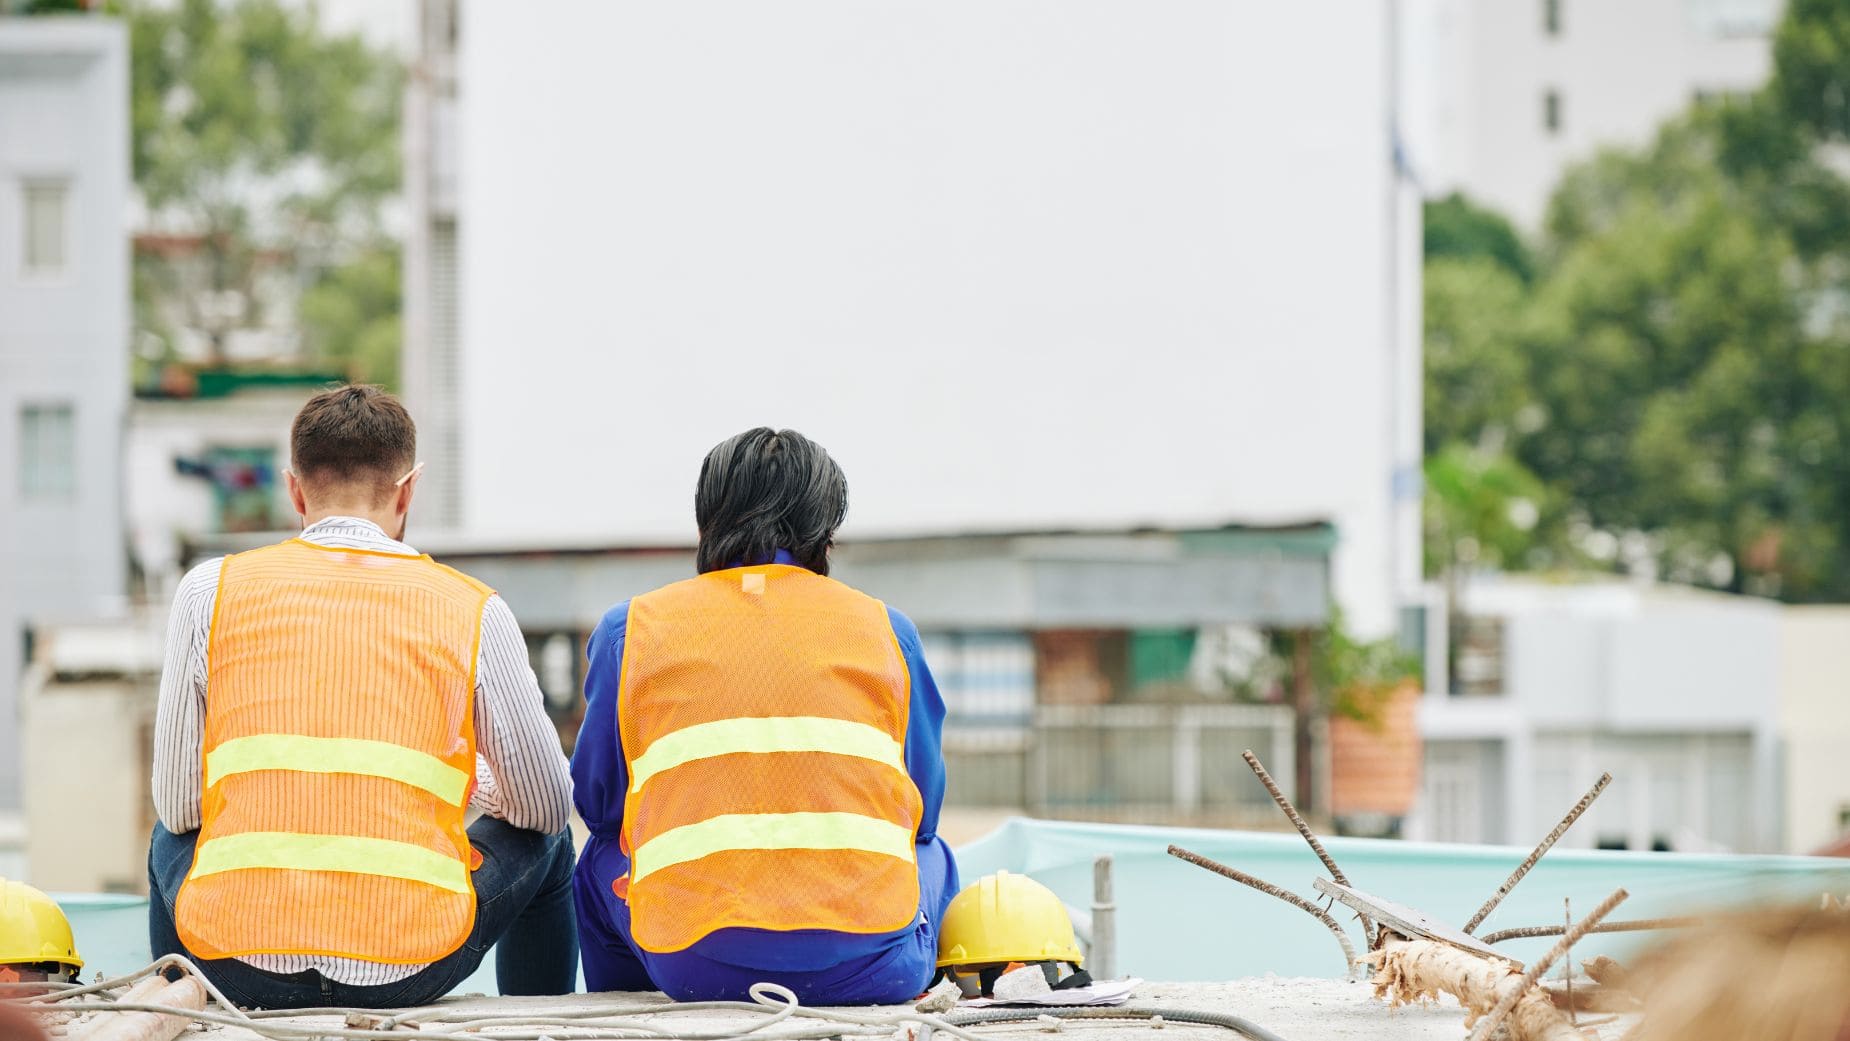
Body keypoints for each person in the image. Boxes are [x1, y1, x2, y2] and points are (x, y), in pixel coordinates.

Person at [147, 385, 578, 1009]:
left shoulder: (208, 591)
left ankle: (181, 1002)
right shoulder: (472, 607)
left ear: (295, 490)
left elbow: (181, 806)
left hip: (237, 966)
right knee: (553, 839)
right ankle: (539, 1021)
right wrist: (468, 777)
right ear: (408, 490)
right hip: (411, 966)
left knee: (168, 834)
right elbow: (544, 806)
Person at [572, 427, 959, 1004]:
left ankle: (622, 1013)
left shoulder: (631, 629)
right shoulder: (887, 630)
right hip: (875, 968)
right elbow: (923, 812)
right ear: (825, 533)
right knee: (934, 852)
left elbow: (599, 806)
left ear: (707, 523)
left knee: (597, 857)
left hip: (690, 968)